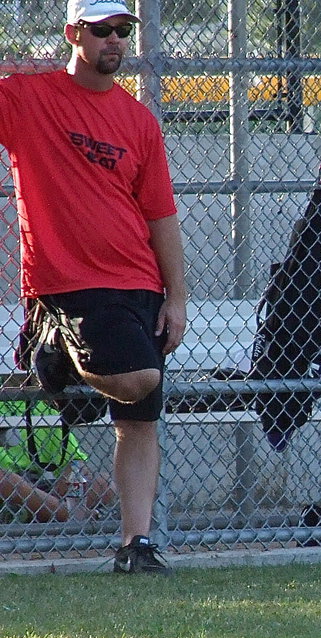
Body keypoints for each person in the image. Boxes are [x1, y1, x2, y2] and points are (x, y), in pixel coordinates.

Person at [0, 0, 187, 573]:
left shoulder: (138, 120)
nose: (114, 40)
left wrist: (176, 297)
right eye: (101, 30)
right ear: (73, 34)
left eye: (122, 30)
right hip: (71, 285)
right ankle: (55, 351)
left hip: (140, 284)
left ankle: (136, 545)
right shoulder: (28, 99)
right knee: (138, 378)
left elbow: (160, 215)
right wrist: (13, 62)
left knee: (140, 417)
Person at [0, 399, 116, 523]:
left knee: (104, 483)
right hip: (7, 485)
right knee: (8, 481)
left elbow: (75, 461)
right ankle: (73, 516)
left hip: (38, 486)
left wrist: (70, 474)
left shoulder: (42, 406)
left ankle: (34, 513)